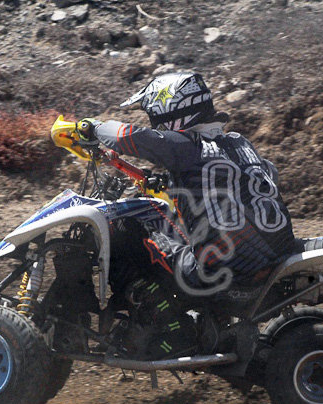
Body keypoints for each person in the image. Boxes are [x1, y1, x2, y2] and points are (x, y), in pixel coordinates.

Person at [77, 72, 297, 359]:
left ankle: (166, 329)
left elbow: (131, 137)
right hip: (272, 259)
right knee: (183, 234)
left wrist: (92, 127)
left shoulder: (187, 147)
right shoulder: (239, 144)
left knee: (124, 230)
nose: (155, 125)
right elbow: (255, 177)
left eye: (155, 118)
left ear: (172, 114)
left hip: (219, 273)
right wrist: (174, 183)